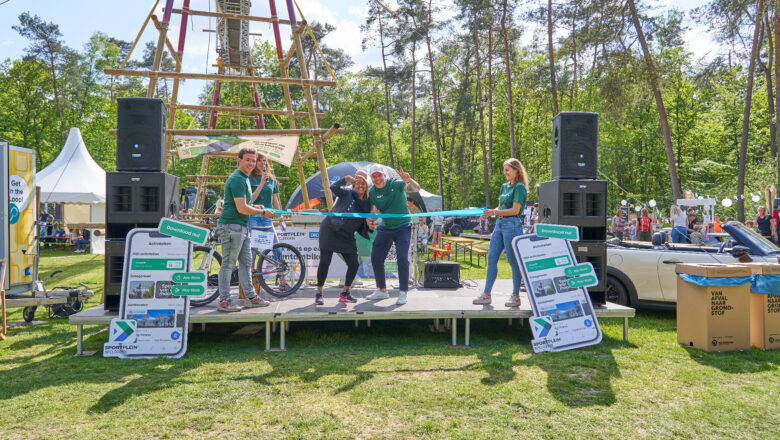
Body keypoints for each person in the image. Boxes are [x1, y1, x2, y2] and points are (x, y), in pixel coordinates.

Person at [215, 147, 275, 312]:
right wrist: (262, 212)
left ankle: (251, 297)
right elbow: (241, 208)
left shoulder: (245, 179)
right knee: (228, 264)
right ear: (239, 160)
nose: (251, 163)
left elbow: (245, 202)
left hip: (241, 226)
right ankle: (225, 301)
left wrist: (255, 206)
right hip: (231, 226)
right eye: (247, 159)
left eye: (253, 160)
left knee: (246, 263)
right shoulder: (237, 179)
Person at [473, 158, 528, 307]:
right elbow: (499, 207)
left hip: (513, 225)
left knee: (512, 261)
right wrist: (490, 213)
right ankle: (486, 295)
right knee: (491, 257)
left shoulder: (520, 187)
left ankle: (515, 296)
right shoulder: (504, 187)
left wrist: (495, 213)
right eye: (504, 169)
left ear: (516, 170)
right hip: (500, 224)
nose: (505, 173)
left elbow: (515, 210)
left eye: (508, 169)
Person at [365, 165, 421, 306]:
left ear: (384, 175)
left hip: (403, 226)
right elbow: (374, 210)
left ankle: (403, 292)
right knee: (376, 257)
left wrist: (409, 180)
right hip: (386, 227)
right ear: (372, 178)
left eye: (379, 175)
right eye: (374, 176)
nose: (377, 179)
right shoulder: (372, 192)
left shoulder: (395, 184)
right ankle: (382, 290)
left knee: (402, 258)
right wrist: (369, 218)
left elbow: (416, 189)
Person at [314, 171, 372, 305]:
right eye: (357, 183)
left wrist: (370, 225)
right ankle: (318, 293)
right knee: (325, 262)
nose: (360, 186)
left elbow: (365, 221)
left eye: (363, 183)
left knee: (354, 264)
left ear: (366, 186)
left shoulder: (367, 203)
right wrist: (345, 178)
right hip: (330, 229)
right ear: (353, 185)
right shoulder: (347, 192)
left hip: (347, 236)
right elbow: (333, 188)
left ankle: (345, 293)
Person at [248, 152, 284, 267]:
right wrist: (261, 184)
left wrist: (280, 216)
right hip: (253, 217)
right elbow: (249, 200)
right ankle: (251, 279)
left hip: (267, 218)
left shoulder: (271, 179)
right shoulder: (249, 178)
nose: (262, 163)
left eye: (264, 161)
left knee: (277, 248)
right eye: (259, 160)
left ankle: (282, 280)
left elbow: (275, 199)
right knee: (252, 250)